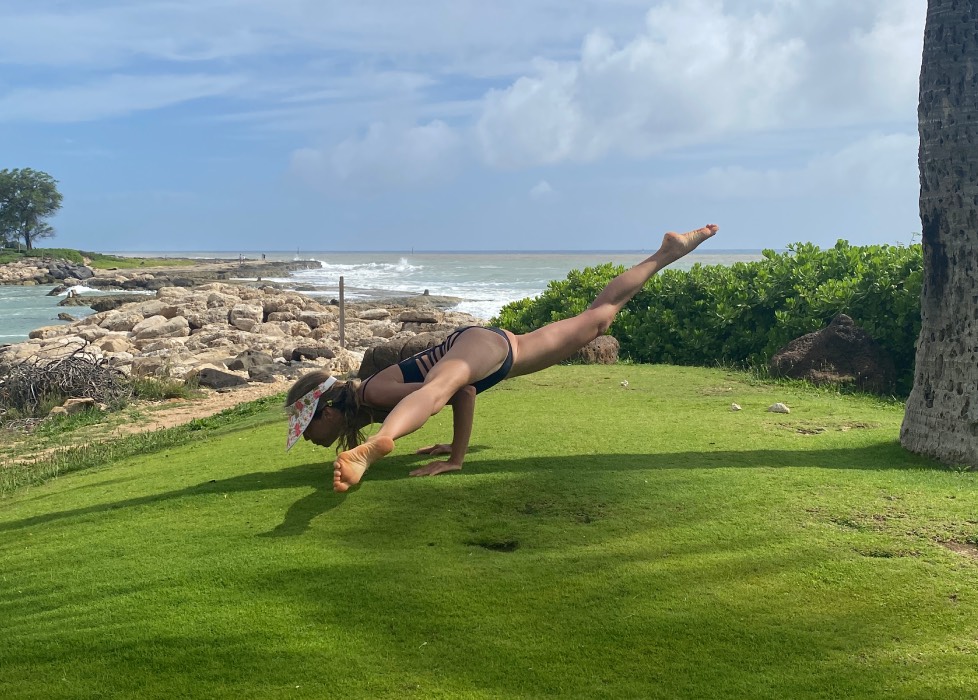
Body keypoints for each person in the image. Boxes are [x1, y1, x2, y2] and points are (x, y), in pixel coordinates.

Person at [285, 224, 718, 492]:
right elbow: (465, 392)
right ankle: (667, 253)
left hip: (475, 349)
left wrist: (451, 455)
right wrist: (453, 451)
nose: (308, 439)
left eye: (307, 428)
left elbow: (459, 390)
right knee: (596, 321)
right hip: (503, 350)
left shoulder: (375, 391)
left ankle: (373, 453)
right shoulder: (373, 402)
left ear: (327, 409)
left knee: (438, 388)